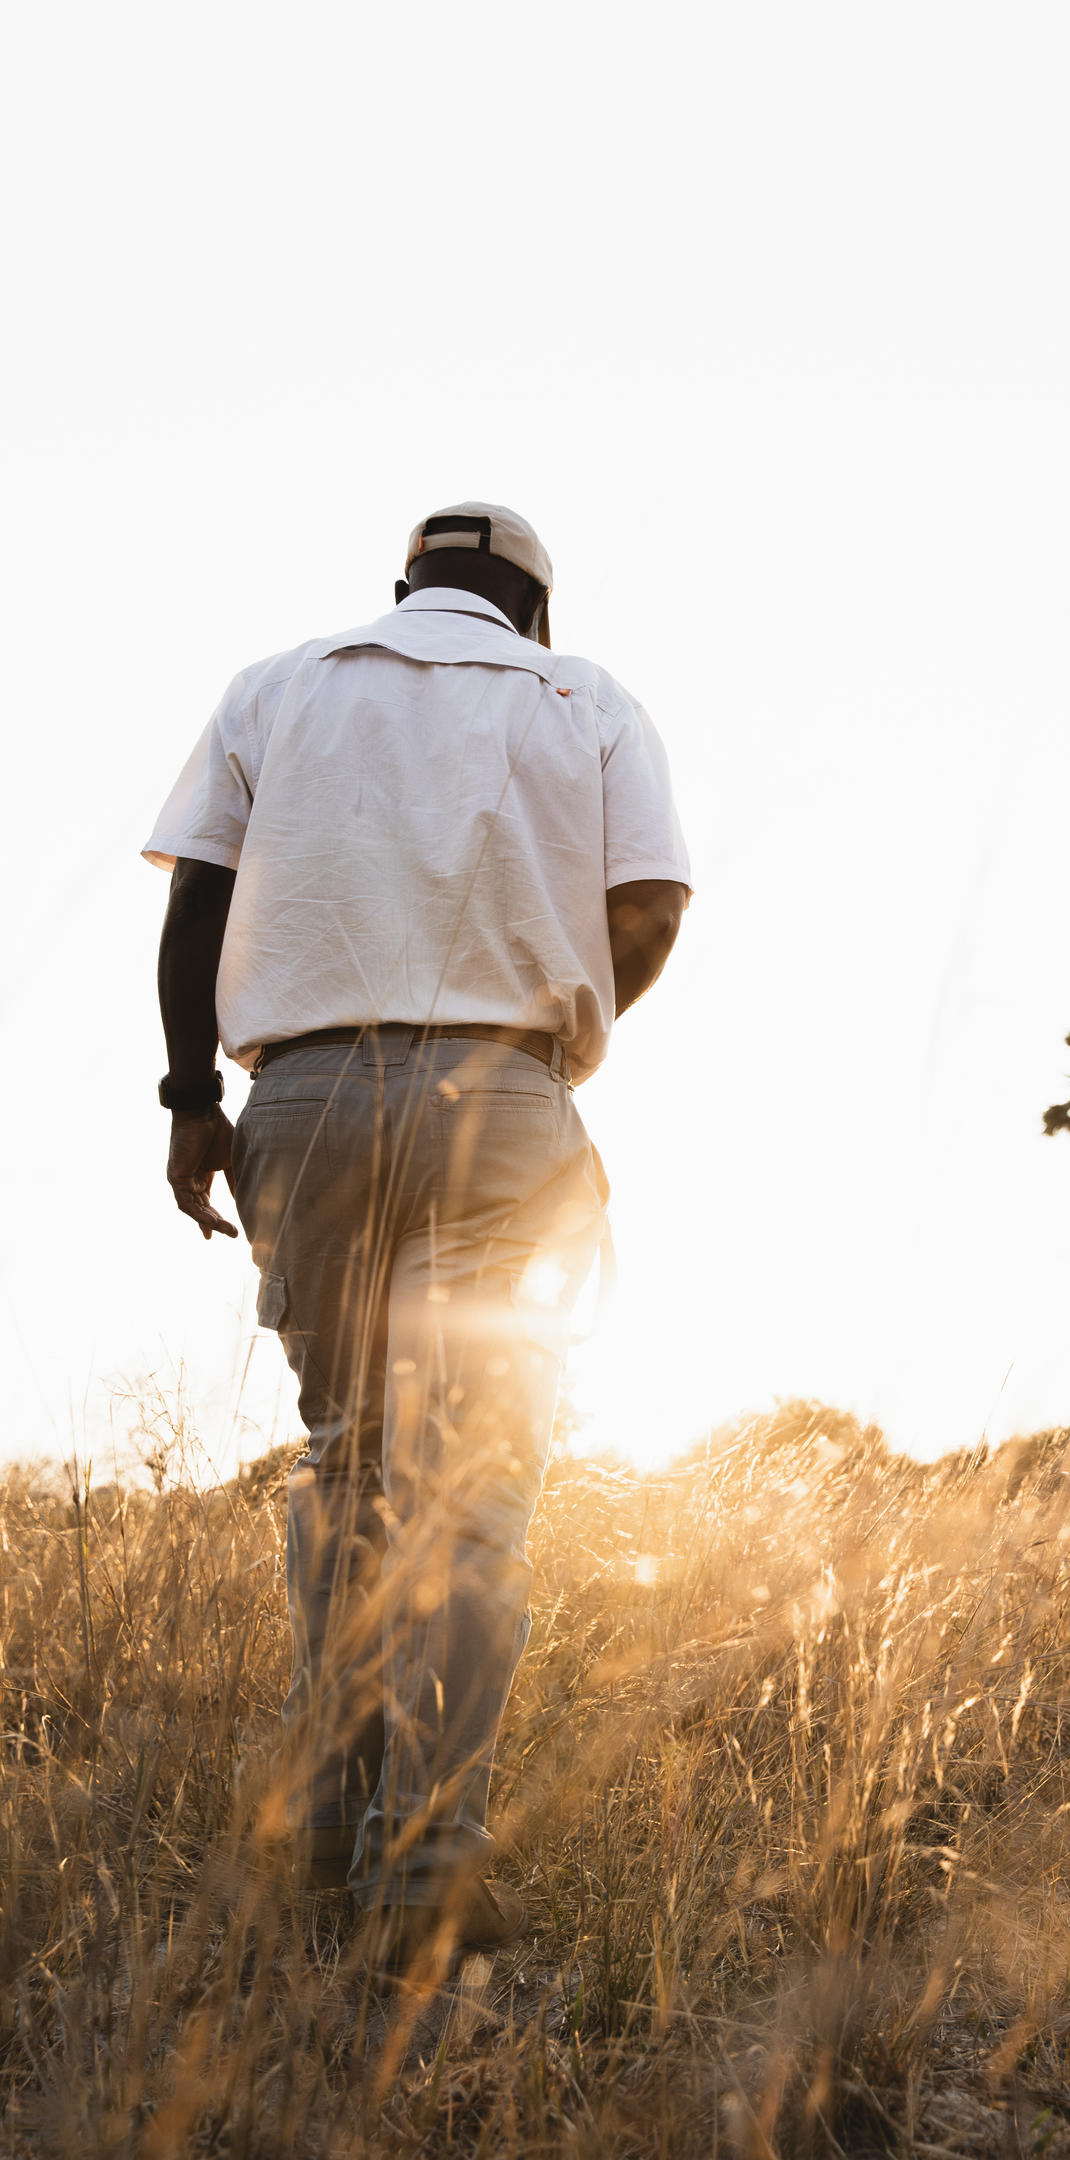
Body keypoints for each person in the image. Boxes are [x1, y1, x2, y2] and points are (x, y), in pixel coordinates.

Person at [143, 503, 690, 1977]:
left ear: (405, 588)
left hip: (304, 1098)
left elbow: (196, 910)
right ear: (535, 610)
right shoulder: (584, 699)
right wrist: (557, 1039)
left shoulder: (280, 682)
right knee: (473, 1490)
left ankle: (327, 1833)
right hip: (501, 1102)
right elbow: (647, 904)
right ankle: (427, 1863)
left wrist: (196, 1103)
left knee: (351, 1464)